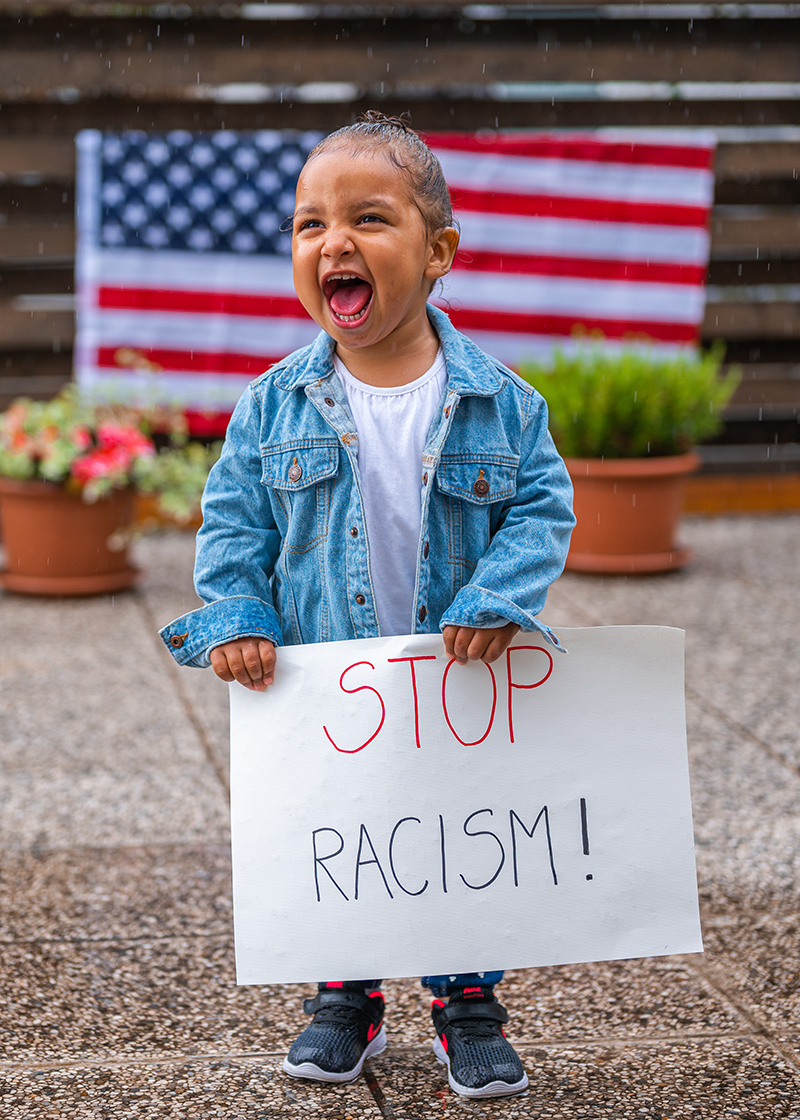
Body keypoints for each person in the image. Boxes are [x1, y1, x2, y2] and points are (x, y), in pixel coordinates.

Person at [160, 111, 575, 1100]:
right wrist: (238, 617)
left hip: (449, 675)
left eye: (367, 219)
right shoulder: (272, 405)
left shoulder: (499, 401)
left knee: (456, 837)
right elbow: (233, 525)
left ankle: (465, 1002)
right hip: (327, 673)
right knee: (340, 837)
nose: (332, 243)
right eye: (309, 225)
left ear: (437, 253)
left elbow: (540, 507)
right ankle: (344, 994)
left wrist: (494, 596)